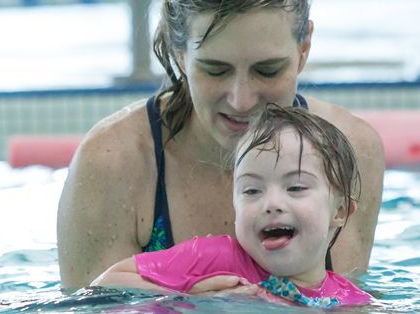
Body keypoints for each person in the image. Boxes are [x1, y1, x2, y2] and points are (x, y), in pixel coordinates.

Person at [56, 0, 384, 293]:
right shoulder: (114, 164)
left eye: (267, 69)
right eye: (215, 70)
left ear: (304, 48)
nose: (241, 100)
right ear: (179, 54)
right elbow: (90, 304)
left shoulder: (351, 151)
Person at [90, 104, 373, 307]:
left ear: (339, 212)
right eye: (252, 190)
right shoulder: (216, 259)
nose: (271, 204)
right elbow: (107, 282)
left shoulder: (349, 300)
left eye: (295, 187)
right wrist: (186, 298)